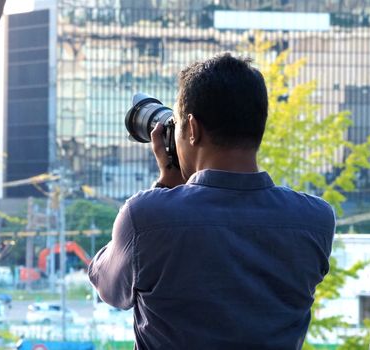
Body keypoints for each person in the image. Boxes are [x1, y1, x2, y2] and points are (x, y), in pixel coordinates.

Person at [88, 53, 335, 349]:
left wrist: (166, 185)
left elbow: (109, 286)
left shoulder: (146, 217)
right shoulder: (316, 220)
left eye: (176, 125)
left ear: (192, 129)